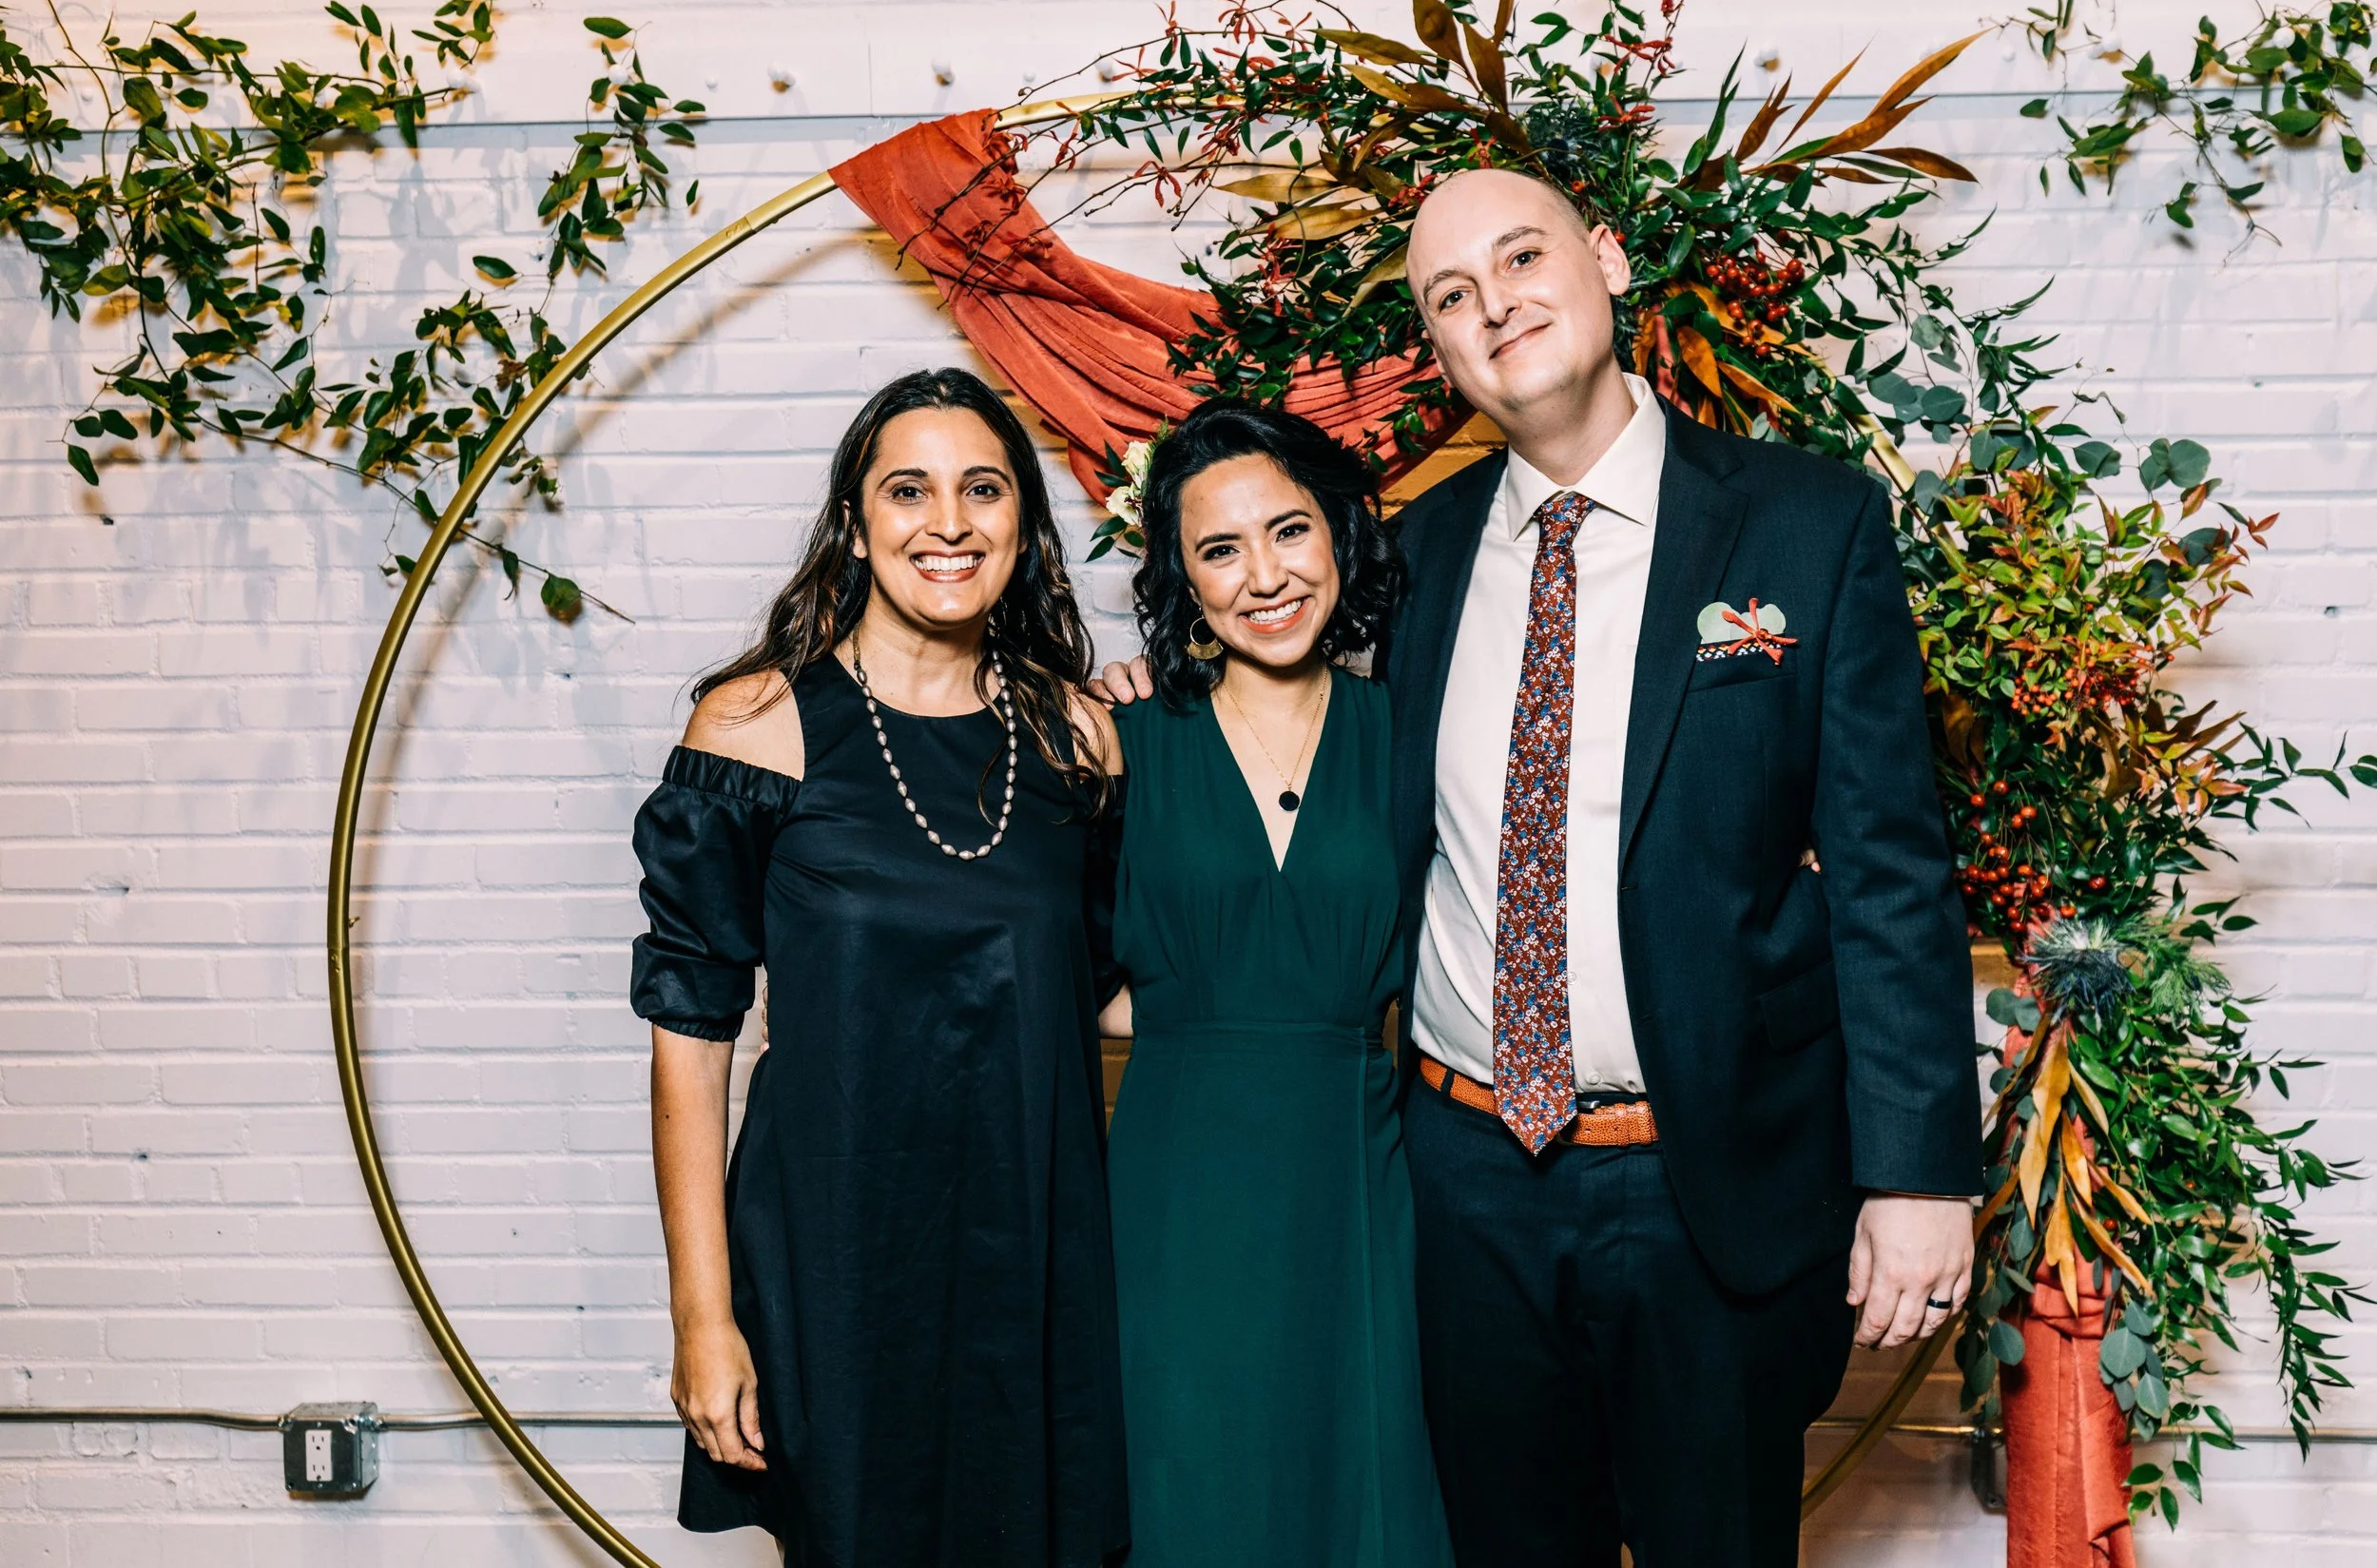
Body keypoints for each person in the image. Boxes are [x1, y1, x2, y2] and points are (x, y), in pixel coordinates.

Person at [1101, 167, 1981, 1566]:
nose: (1495, 301)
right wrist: (1155, 698)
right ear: (1438, 352)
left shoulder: (1806, 528)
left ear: (1609, 258)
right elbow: (1281, 721)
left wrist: (1922, 1172)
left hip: (1705, 1185)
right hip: (1461, 1183)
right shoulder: (1408, 556)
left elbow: (1889, 869)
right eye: (1452, 294)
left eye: (1521, 257)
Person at [629, 368, 1128, 1566]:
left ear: (1022, 522)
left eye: (982, 489)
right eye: (908, 489)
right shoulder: (754, 725)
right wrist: (704, 1317)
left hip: (1031, 1260)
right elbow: (689, 1042)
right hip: (834, 1263)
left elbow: (1114, 995)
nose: (946, 522)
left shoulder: (1079, 736)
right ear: (858, 521)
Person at [1096, 399, 1454, 1568]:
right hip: (1178, 1188)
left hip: (1359, 1176)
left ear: (1340, 536)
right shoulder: (1124, 738)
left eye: (1288, 531)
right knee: (1190, 1487)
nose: (1264, 575)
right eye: (1219, 548)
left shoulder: (1411, 732)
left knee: (1364, 1490)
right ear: (1179, 579)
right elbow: (1040, 963)